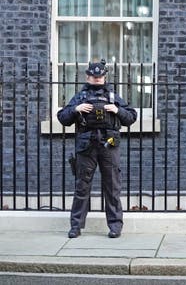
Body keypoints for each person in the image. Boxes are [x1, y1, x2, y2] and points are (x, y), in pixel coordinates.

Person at [57, 59, 137, 238]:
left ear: (104, 76)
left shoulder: (113, 96)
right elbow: (62, 118)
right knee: (82, 187)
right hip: (86, 147)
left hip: (109, 145)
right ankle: (76, 227)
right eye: (93, 76)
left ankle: (115, 226)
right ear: (88, 77)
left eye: (100, 76)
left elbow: (131, 117)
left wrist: (117, 110)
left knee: (112, 187)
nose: (97, 79)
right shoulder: (80, 97)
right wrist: (76, 109)